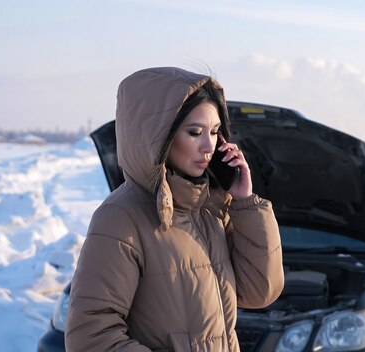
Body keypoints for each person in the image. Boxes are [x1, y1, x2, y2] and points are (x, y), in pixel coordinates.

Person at [65, 67, 284, 352]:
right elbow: (90, 338)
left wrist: (245, 202)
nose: (209, 146)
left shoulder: (213, 209)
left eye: (215, 132)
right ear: (160, 137)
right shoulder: (120, 217)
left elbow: (260, 292)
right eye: (195, 132)